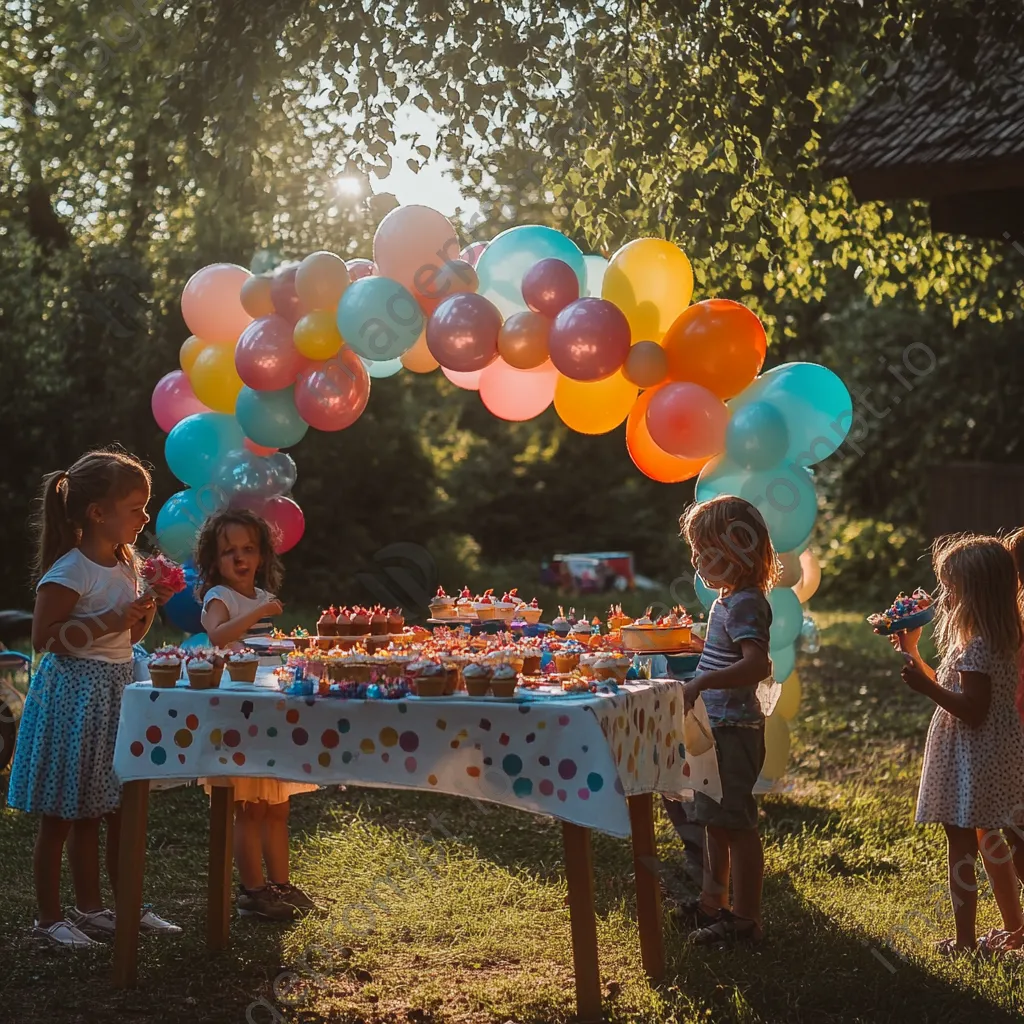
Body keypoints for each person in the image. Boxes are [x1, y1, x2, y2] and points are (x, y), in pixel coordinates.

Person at [8, 448, 181, 948]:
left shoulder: (128, 562)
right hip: (73, 695)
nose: (146, 516)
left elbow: (128, 637)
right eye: (137, 506)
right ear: (97, 512)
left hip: (114, 688)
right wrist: (113, 618)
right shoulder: (71, 570)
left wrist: (147, 607)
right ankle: (48, 920)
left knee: (105, 807)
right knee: (63, 813)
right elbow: (46, 637)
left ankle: (97, 909)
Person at [894, 534, 1024, 954]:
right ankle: (1004, 931)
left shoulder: (980, 648)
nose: (943, 597)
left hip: (975, 757)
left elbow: (971, 710)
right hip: (994, 754)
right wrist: (914, 655)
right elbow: (954, 688)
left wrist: (925, 690)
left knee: (963, 846)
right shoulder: (993, 640)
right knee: (1007, 839)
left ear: (975, 594)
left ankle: (966, 941)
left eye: (950, 589)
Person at [194, 508, 318, 921]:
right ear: (214, 560)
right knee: (247, 805)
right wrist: (257, 615)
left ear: (262, 556)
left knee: (276, 805)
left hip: (268, 708)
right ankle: (252, 891)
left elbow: (267, 649)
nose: (239, 557)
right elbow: (217, 635)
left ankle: (280, 884)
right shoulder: (221, 598)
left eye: (248, 549)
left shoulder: (263, 599)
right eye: (229, 551)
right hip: (236, 715)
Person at [673, 495, 778, 945]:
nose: (695, 559)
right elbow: (731, 652)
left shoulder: (747, 603)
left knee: (737, 825)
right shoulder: (728, 601)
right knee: (714, 821)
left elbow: (757, 665)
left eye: (704, 549)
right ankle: (712, 904)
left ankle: (747, 919)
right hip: (717, 731)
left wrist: (701, 682)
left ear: (736, 549)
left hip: (735, 732)